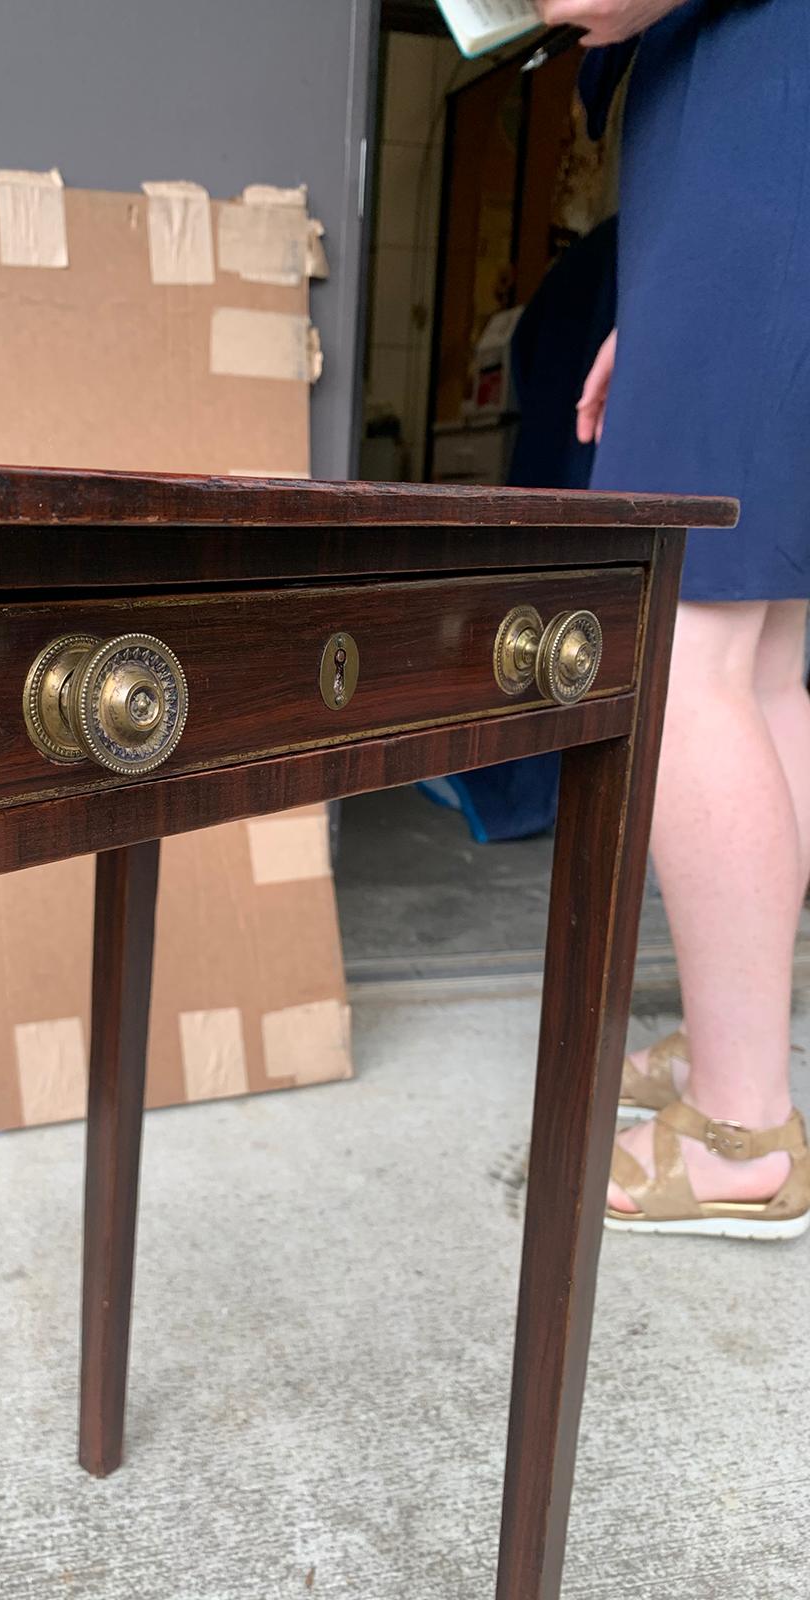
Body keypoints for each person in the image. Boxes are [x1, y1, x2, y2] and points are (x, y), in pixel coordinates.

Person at [535, 0, 810, 1237]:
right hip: (766, 140)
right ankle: (734, 1063)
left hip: (763, 114)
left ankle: (744, 1133)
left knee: (688, 652)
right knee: (764, 657)